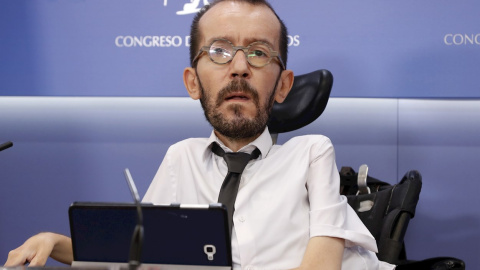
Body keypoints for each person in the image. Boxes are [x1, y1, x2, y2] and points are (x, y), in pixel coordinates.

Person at [5, 0, 395, 269]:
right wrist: (53, 242)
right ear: (193, 82)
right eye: (219, 52)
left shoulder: (311, 153)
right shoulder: (182, 158)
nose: (239, 67)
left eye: (258, 53)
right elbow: (135, 251)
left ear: (282, 86)